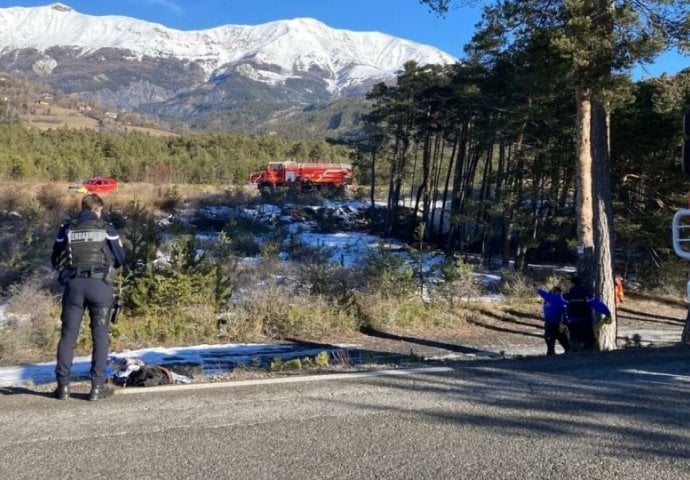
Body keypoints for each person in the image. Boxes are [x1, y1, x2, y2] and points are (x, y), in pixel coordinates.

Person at [51, 193, 126, 401]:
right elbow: (121, 258)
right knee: (100, 336)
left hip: (74, 286)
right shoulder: (107, 229)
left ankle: (63, 386)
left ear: (82, 208)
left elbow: (55, 257)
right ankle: (97, 387)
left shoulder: (67, 229)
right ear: (97, 209)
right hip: (99, 286)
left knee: (67, 336)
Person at [562, 276, 611, 351]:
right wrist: (607, 312)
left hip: (573, 323)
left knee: (575, 344)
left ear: (572, 284)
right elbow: (597, 304)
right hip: (586, 322)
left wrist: (564, 321)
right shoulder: (586, 295)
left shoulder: (568, 296)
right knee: (589, 344)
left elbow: (560, 306)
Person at [536, 286, 570, 355]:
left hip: (555, 322)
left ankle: (554, 351)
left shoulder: (549, 299)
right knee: (553, 337)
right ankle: (552, 351)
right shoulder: (554, 299)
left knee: (558, 337)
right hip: (553, 322)